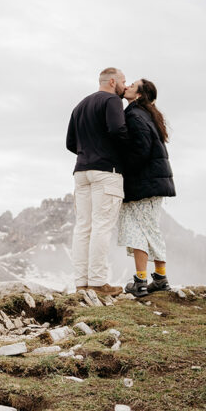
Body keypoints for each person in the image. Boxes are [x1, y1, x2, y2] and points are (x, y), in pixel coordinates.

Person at [66, 67, 128, 295]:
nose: (125, 85)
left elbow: (70, 143)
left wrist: (88, 151)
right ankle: (98, 282)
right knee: (102, 227)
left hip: (81, 171)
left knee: (83, 227)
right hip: (106, 170)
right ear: (112, 81)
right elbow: (117, 130)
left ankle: (81, 283)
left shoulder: (80, 105)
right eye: (123, 81)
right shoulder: (112, 101)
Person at [118, 78, 176, 297]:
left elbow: (141, 149)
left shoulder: (134, 115)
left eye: (132, 86)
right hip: (153, 182)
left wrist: (122, 168)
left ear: (140, 95)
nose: (127, 87)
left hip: (144, 183)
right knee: (145, 229)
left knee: (142, 230)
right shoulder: (148, 114)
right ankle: (154, 279)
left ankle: (147, 280)